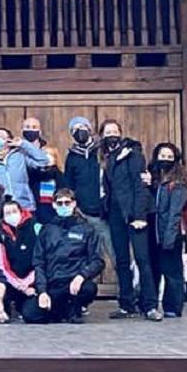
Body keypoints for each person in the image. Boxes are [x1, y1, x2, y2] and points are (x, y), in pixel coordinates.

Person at [98, 119, 151, 319]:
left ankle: (149, 304)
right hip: (114, 215)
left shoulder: (133, 155)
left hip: (133, 214)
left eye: (114, 131)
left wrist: (139, 215)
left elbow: (139, 187)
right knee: (121, 260)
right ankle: (127, 304)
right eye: (107, 132)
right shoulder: (105, 157)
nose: (111, 134)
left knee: (142, 259)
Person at [62, 118, 118, 300]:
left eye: (83, 127)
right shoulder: (71, 156)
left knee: (115, 254)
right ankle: (82, 296)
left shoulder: (101, 150)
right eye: (76, 129)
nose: (81, 131)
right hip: (83, 213)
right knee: (84, 257)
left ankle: (128, 293)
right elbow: (68, 184)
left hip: (103, 213)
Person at [29, 188, 103, 323]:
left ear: (74, 204)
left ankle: (73, 308)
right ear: (54, 205)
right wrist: (42, 291)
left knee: (88, 289)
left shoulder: (87, 229)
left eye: (67, 203)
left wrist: (82, 276)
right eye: (60, 203)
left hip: (74, 282)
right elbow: (39, 262)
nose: (64, 206)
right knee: (30, 314)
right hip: (53, 283)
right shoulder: (46, 230)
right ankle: (62, 311)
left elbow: (97, 260)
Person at [142, 141, 187, 321]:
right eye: (162, 156)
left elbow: (175, 212)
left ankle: (173, 307)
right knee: (152, 269)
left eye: (169, 157)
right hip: (152, 233)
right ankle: (150, 304)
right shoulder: (154, 179)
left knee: (172, 273)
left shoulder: (178, 182)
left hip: (170, 234)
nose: (165, 160)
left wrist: (169, 238)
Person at [0, 124, 50, 213]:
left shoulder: (19, 155)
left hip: (25, 206)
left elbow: (43, 161)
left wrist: (23, 144)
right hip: (1, 209)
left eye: (3, 137)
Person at [0, 198, 39, 318]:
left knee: (30, 312)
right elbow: (3, 266)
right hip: (13, 281)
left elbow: (41, 260)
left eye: (14, 211)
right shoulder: (2, 236)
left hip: (34, 280)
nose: (12, 216)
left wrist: (27, 283)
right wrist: (19, 285)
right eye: (7, 213)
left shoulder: (35, 229)